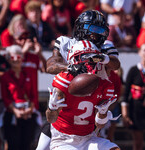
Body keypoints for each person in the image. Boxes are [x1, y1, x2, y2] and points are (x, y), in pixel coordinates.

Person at [36, 10, 120, 150]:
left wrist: (101, 57)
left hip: (92, 100)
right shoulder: (66, 43)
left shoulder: (106, 48)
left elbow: (115, 64)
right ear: (81, 27)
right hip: (67, 106)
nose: (96, 34)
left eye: (101, 30)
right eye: (93, 28)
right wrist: (71, 67)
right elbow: (50, 65)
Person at [45, 40, 120, 150]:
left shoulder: (104, 85)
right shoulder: (64, 81)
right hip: (63, 138)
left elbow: (100, 125)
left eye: (91, 59)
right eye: (83, 59)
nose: (88, 63)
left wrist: (102, 113)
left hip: (88, 138)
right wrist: (52, 108)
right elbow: (51, 119)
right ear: (74, 60)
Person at [1, 45, 38, 150]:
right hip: (12, 113)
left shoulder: (28, 75)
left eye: (18, 57)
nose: (16, 60)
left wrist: (30, 109)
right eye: (12, 57)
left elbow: (33, 95)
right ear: (8, 59)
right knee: (13, 144)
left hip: (28, 113)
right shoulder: (5, 77)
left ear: (22, 58)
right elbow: (5, 98)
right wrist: (15, 111)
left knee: (27, 144)